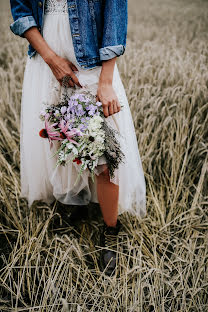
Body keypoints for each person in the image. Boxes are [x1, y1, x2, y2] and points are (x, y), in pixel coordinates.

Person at [9, 0, 146, 276]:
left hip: (90, 59)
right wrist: (52, 60)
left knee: (104, 149)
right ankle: (77, 204)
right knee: (60, 137)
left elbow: (114, 14)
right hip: (47, 57)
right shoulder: (48, 60)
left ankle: (111, 230)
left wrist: (106, 82)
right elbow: (22, 10)